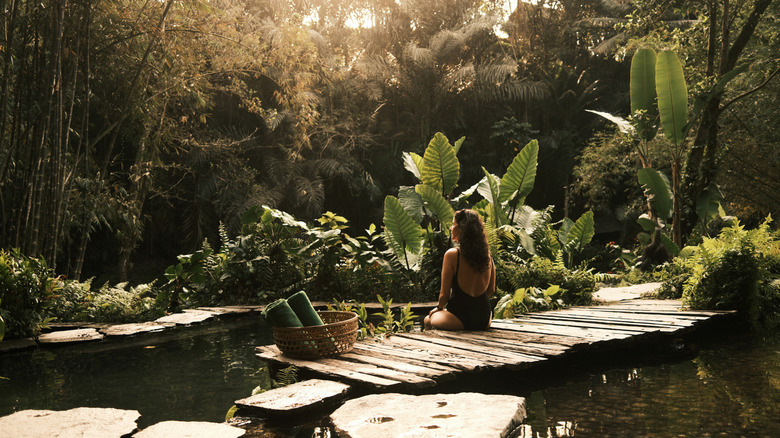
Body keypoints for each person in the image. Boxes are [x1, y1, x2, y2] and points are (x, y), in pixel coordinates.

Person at [424, 209, 496, 331]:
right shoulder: (487, 256)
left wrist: (439, 308)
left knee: (428, 319)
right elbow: (491, 290)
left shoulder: (452, 255)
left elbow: (444, 295)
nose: (451, 228)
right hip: (484, 318)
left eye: (453, 224)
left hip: (460, 319)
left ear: (462, 229)